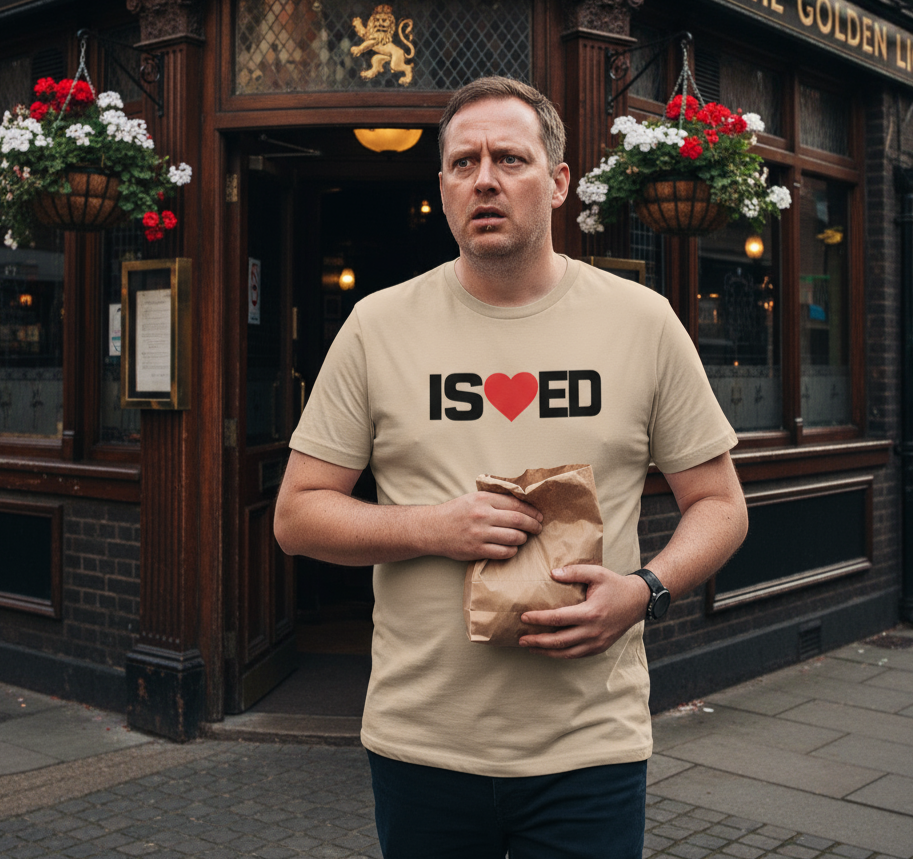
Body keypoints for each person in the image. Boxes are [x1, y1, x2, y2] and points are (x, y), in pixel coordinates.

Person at [274, 76, 748, 859]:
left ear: (559, 182)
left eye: (510, 159)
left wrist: (645, 592)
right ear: (442, 188)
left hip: (589, 745)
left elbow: (721, 505)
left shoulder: (641, 321)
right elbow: (297, 516)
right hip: (422, 740)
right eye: (463, 164)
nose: (484, 179)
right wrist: (435, 526)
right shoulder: (376, 326)